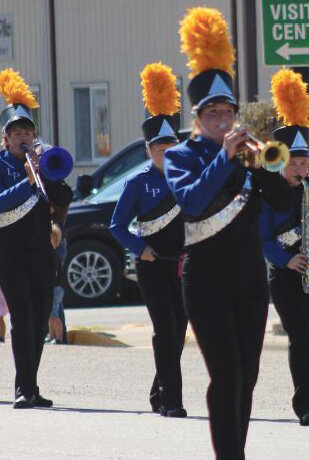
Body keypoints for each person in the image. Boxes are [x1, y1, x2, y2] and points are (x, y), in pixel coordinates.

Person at [164, 9, 291, 459]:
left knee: (250, 376)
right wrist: (225, 157)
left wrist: (273, 164)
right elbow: (194, 202)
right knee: (227, 374)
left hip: (249, 277)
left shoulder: (247, 155)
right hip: (205, 279)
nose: (223, 121)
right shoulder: (182, 156)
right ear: (198, 118)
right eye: (213, 114)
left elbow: (279, 201)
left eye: (228, 112)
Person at [0, 68, 72, 409]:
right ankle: (23, 388)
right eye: (15, 131)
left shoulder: (42, 161)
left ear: (34, 135)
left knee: (39, 322)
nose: (22, 136)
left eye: (27, 130)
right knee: (22, 319)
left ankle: (32, 386)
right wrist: (30, 180)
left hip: (40, 253)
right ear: (5, 137)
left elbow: (64, 198)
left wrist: (49, 172)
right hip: (12, 254)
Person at [110, 62, 187, 417]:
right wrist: (142, 249)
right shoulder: (138, 183)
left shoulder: (189, 177)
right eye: (159, 147)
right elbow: (117, 226)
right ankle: (173, 401)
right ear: (148, 150)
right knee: (166, 330)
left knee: (180, 329)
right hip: (153, 266)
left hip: (183, 266)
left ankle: (160, 389)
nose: (166, 152)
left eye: (172, 145)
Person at [260, 67, 309, 427]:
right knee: (301, 339)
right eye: (294, 161)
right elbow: (261, 238)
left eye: (305, 161)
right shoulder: (270, 194)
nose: (301, 168)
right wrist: (286, 259)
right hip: (287, 276)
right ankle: (304, 405)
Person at [48, 222, 65, 344]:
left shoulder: (53, 256)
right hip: (51, 288)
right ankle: (52, 336)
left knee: (54, 314)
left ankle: (59, 337)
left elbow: (54, 274)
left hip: (55, 288)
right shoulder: (49, 255)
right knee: (49, 314)